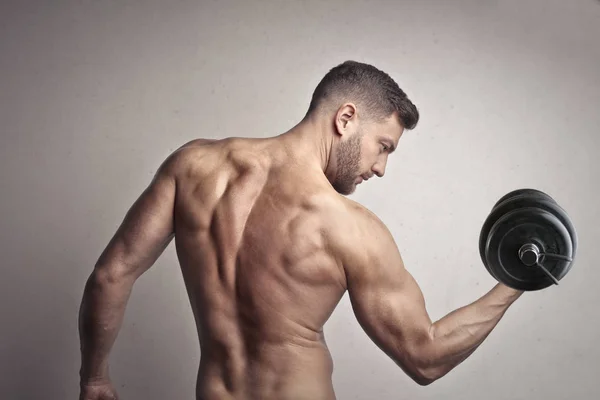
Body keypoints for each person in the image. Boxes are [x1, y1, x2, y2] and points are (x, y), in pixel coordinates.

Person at [78, 60, 523, 400]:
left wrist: (94, 377)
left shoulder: (191, 167)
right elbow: (424, 358)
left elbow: (111, 275)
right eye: (383, 146)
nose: (382, 168)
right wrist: (515, 281)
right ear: (346, 118)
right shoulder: (348, 227)